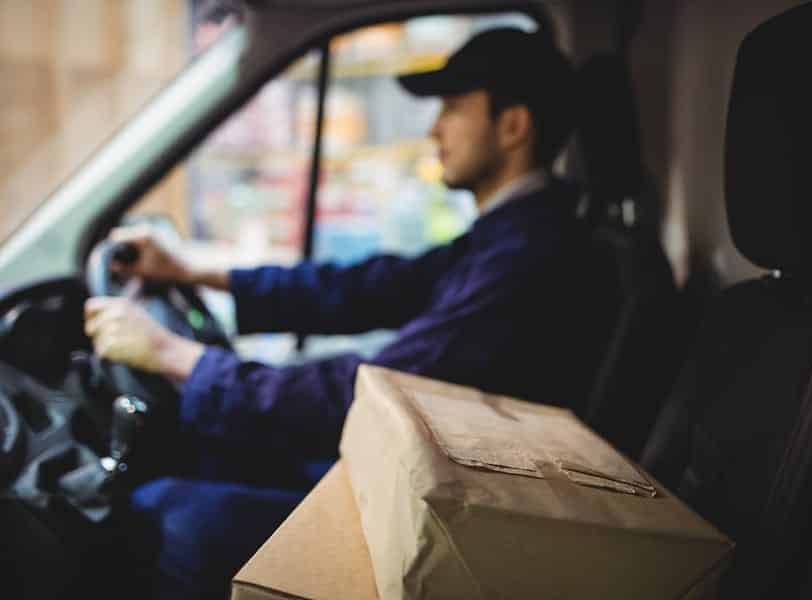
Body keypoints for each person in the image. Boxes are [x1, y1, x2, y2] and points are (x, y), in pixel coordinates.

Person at [84, 26, 615, 600]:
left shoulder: (529, 254)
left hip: (444, 515)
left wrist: (173, 354)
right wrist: (194, 273)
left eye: (454, 107)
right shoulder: (508, 234)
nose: (434, 128)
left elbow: (373, 391)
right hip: (413, 476)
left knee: (160, 514)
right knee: (203, 445)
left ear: (513, 126)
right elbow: (367, 287)